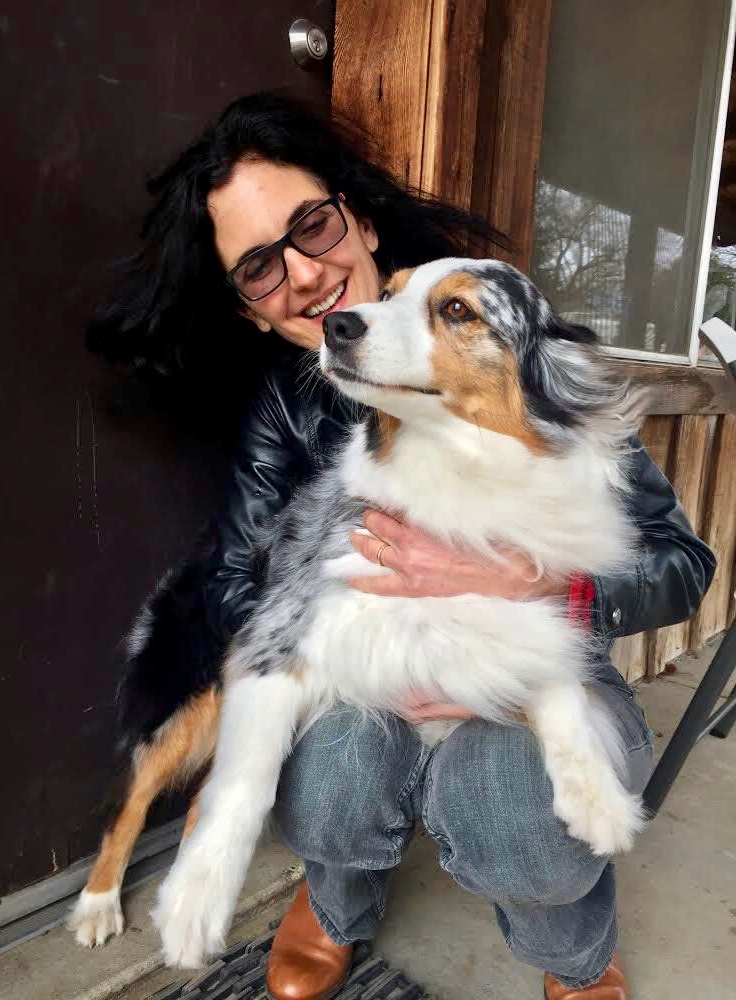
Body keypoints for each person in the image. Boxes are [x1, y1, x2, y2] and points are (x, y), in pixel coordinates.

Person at [90, 92, 715, 1000]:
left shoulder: (515, 346)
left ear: (360, 220)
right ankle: (337, 898)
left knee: (519, 811)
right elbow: (240, 577)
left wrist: (545, 584)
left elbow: (682, 564)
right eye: (260, 269)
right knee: (328, 774)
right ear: (250, 312)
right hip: (371, 665)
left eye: (310, 226)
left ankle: (573, 950)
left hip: (530, 664)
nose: (304, 275)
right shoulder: (286, 406)